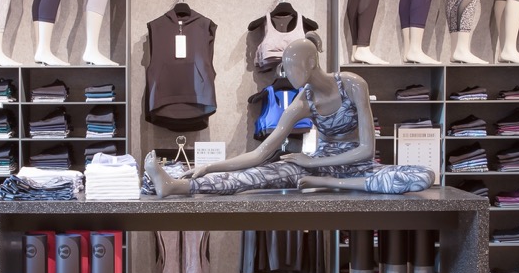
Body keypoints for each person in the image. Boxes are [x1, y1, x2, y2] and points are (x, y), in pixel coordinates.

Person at [144, 38, 434, 197]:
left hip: (359, 170)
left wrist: (315, 165)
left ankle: (331, 186)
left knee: (423, 176)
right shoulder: (302, 102)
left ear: (311, 63)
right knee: (256, 177)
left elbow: (366, 150)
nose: (286, 74)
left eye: (291, 66)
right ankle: (177, 186)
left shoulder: (352, 84)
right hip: (319, 170)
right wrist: (209, 167)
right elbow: (261, 152)